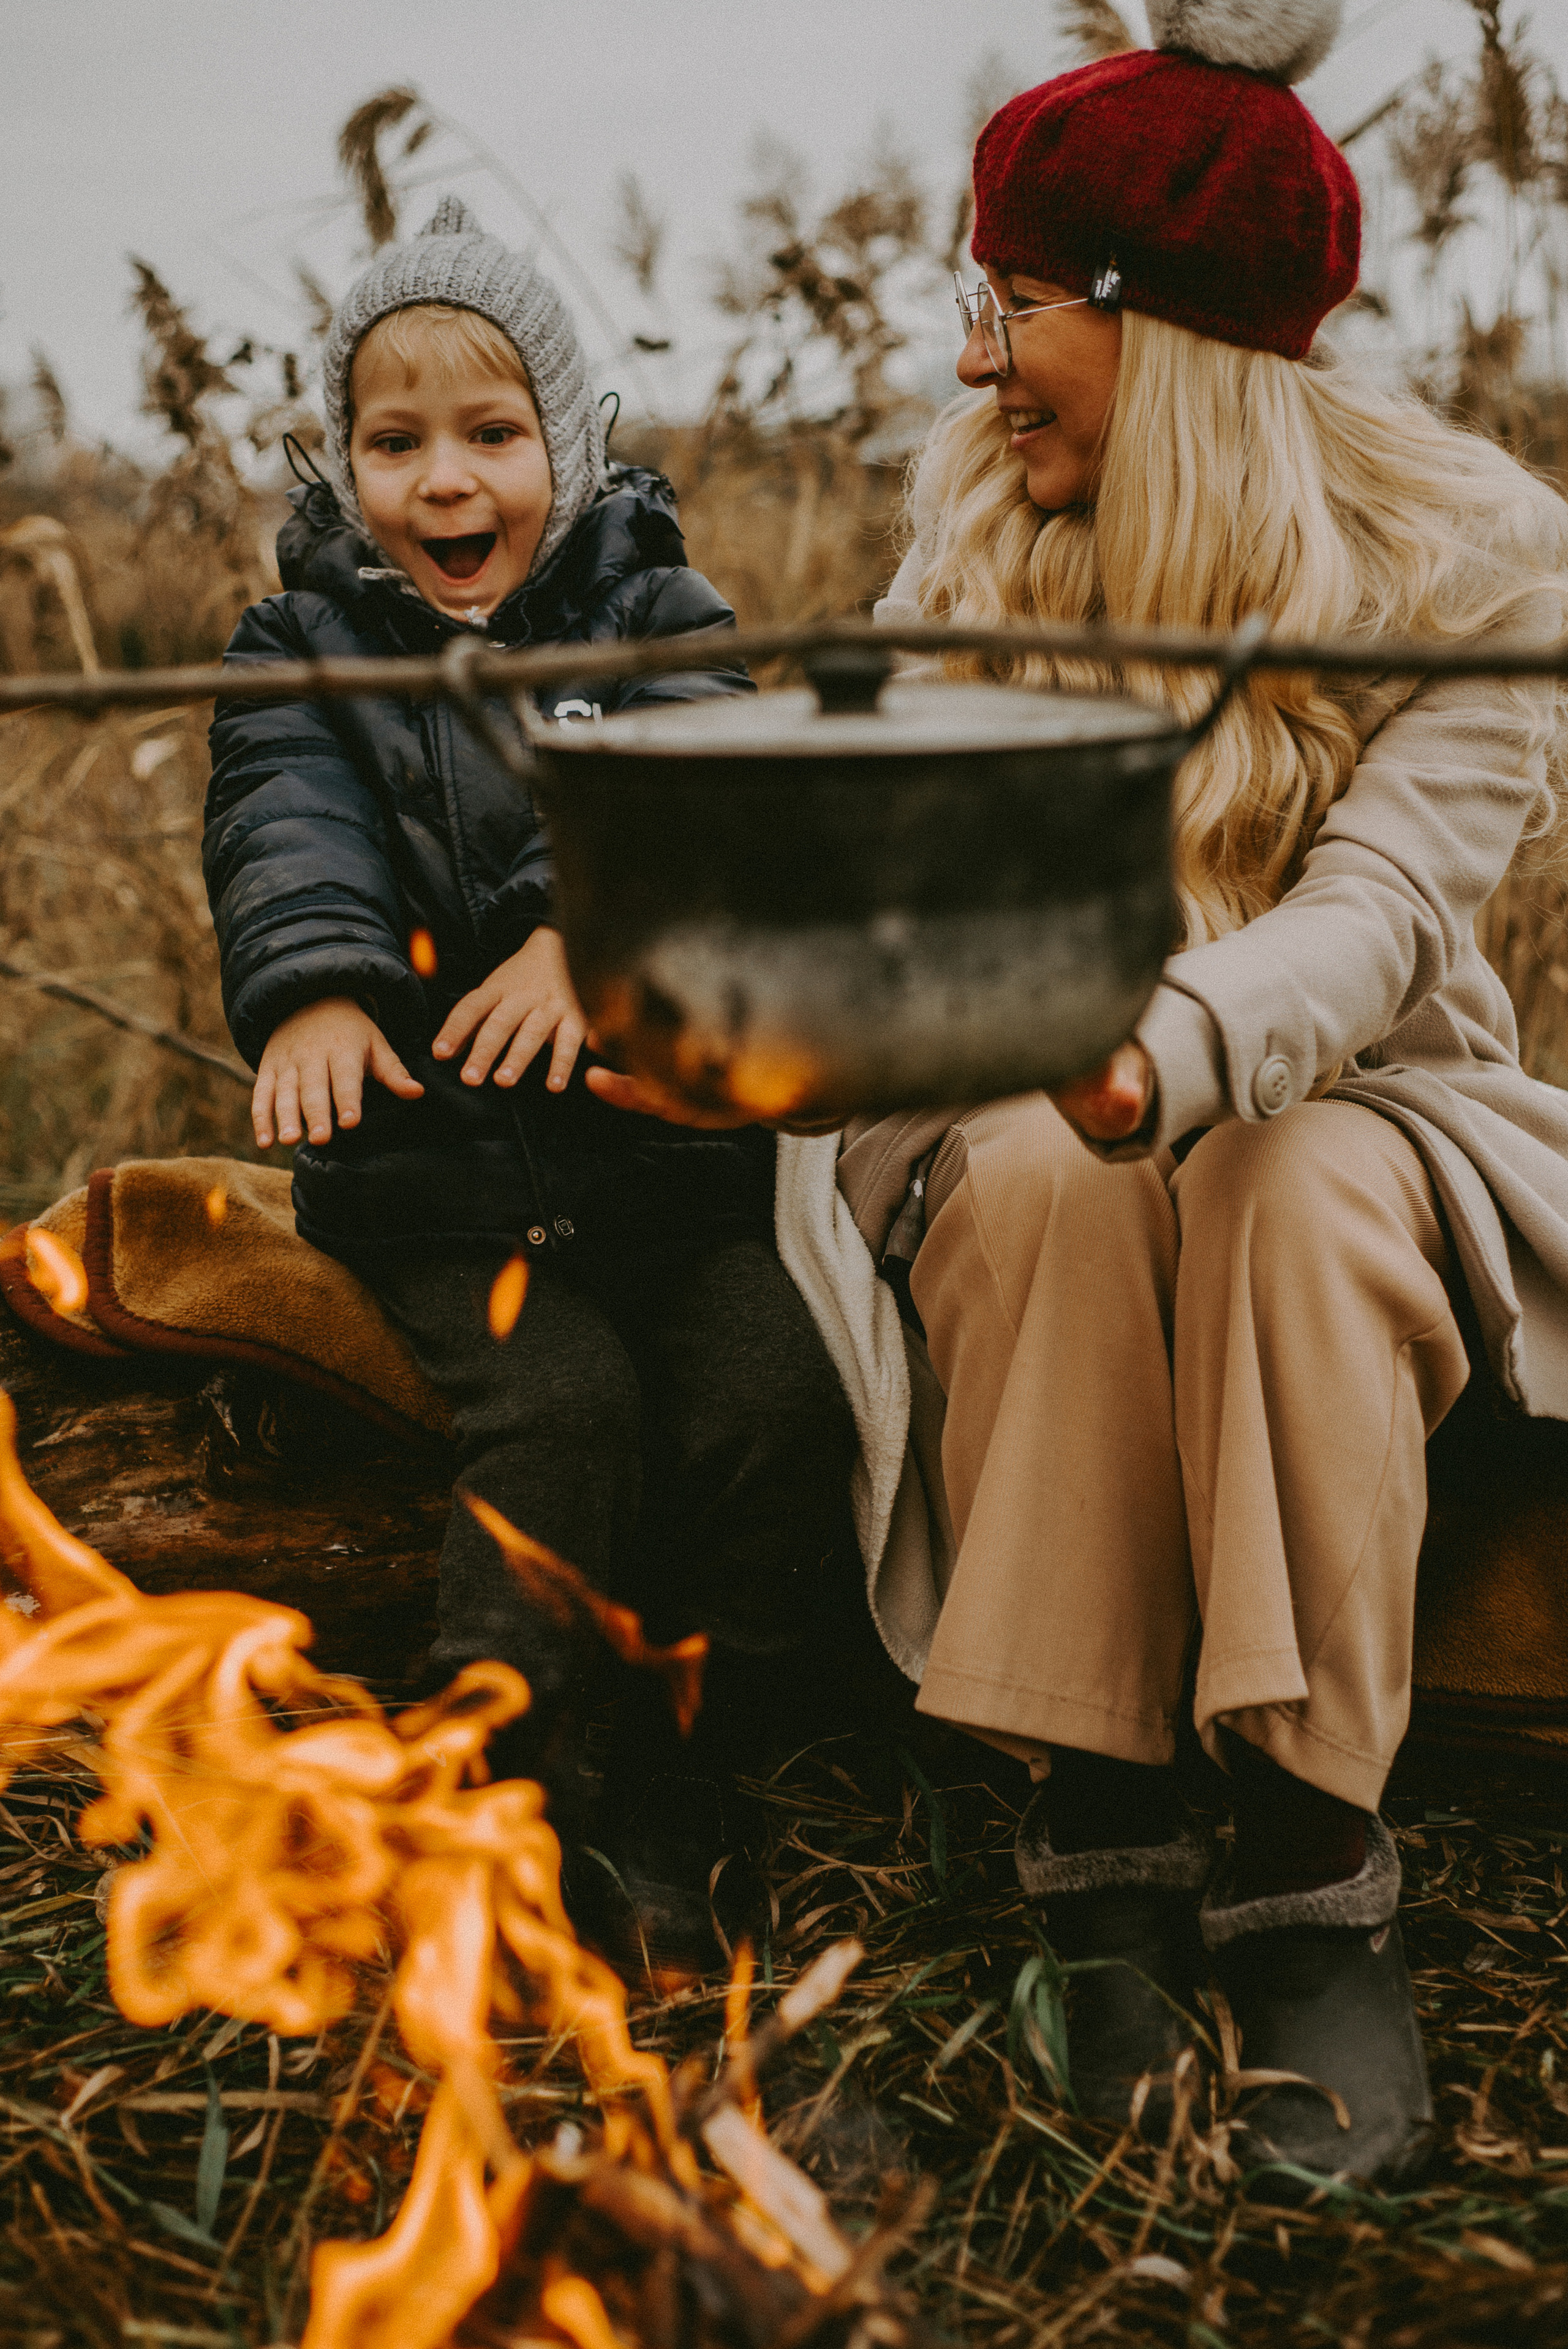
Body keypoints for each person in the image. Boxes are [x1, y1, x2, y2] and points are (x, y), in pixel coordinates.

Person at [597, 0, 1568, 2185]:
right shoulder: (979, 545)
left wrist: (1181, 1047)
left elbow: (1390, 913)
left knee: (1285, 1184)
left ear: (1157, 327)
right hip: (1020, 1108)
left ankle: (1317, 1870)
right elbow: (886, 877)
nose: (970, 361)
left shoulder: (1485, 569)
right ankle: (1099, 1827)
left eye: (1012, 305)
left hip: (1362, 1111)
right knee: (1044, 1168)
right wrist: (729, 1011)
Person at [203, 197, 857, 1972]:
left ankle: (720, 1750)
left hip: (658, 1177)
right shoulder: (300, 653)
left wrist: (598, 933)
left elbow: (712, 794)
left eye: (490, 436)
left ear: (565, 444)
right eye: (395, 441)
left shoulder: (654, 610)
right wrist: (321, 998)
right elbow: (289, 828)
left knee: (774, 1391)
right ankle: (513, 1777)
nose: (445, 482)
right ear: (343, 467)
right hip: (438, 1180)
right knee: (561, 1414)